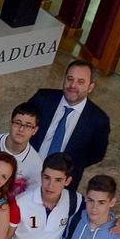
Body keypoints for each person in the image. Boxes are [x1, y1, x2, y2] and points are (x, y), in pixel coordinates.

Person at [28, 60, 110, 188]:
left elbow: (97, 154)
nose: (73, 85)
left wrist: (72, 165)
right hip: (27, 168)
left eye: (80, 82)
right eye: (70, 79)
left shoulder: (98, 120)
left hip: (61, 184)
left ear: (90, 87)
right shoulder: (42, 98)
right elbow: (22, 123)